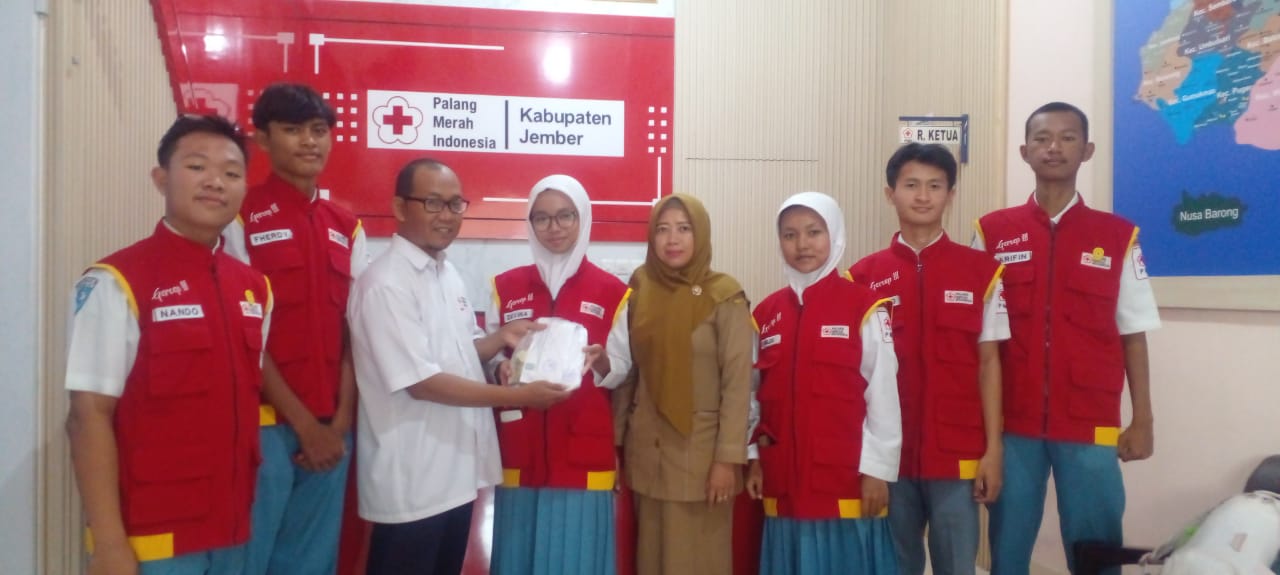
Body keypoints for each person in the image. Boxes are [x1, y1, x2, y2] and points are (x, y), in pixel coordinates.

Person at [65, 114, 270, 575]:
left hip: (234, 531)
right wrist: (110, 544)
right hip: (151, 540)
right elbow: (86, 416)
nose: (215, 182)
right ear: (161, 179)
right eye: (197, 167)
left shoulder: (254, 288)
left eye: (232, 172)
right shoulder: (117, 281)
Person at [346, 158, 572, 575]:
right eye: (433, 203)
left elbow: (463, 352)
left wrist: (501, 340)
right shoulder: (385, 284)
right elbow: (422, 382)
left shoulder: (447, 274)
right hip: (412, 484)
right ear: (399, 207)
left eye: (455, 204)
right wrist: (517, 396)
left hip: (455, 477)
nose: (447, 216)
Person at [973, 102, 1160, 575]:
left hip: (1089, 423)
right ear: (1024, 151)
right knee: (1007, 549)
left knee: (1096, 550)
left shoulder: (1117, 237)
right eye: (1041, 138)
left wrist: (1142, 419)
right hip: (1012, 425)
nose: (1053, 147)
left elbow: (1133, 333)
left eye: (1067, 137)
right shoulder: (991, 233)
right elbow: (979, 343)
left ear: (1087, 150)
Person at [221, 83, 366, 575]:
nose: (308, 141)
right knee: (249, 559)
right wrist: (305, 426)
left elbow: (355, 333)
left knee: (312, 562)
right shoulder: (238, 216)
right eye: (292, 130)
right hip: (262, 426)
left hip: (333, 428)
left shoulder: (346, 226)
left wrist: (340, 422)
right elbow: (242, 335)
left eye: (318, 130)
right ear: (262, 139)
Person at [850, 144, 1007, 575]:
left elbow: (990, 364)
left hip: (958, 455)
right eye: (911, 185)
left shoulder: (983, 273)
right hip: (890, 461)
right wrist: (866, 458)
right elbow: (856, 380)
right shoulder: (862, 279)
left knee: (957, 566)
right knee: (892, 566)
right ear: (890, 193)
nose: (923, 196)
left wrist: (993, 450)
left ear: (950, 194)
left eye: (935, 186)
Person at [594, 193, 753, 575]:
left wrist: (727, 460)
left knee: (699, 560)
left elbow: (737, 384)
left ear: (701, 234)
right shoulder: (640, 289)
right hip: (647, 452)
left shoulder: (725, 295)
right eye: (662, 229)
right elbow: (630, 373)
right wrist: (615, 443)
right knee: (651, 557)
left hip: (702, 458)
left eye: (684, 228)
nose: (672, 239)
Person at [744, 191, 901, 575]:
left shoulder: (865, 306)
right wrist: (754, 459)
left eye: (814, 232)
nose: (802, 244)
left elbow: (883, 393)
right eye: (790, 234)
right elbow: (752, 398)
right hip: (784, 481)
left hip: (847, 482)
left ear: (835, 235)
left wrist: (877, 470)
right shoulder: (765, 314)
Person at [486, 175, 631, 575]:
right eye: (542, 218)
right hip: (520, 446)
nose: (554, 227)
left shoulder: (611, 291)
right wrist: (498, 366)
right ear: (530, 223)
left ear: (582, 218)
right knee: (517, 557)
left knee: (577, 560)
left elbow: (621, 369)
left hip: (582, 447)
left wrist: (601, 362)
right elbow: (488, 354)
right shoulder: (505, 287)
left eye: (565, 216)